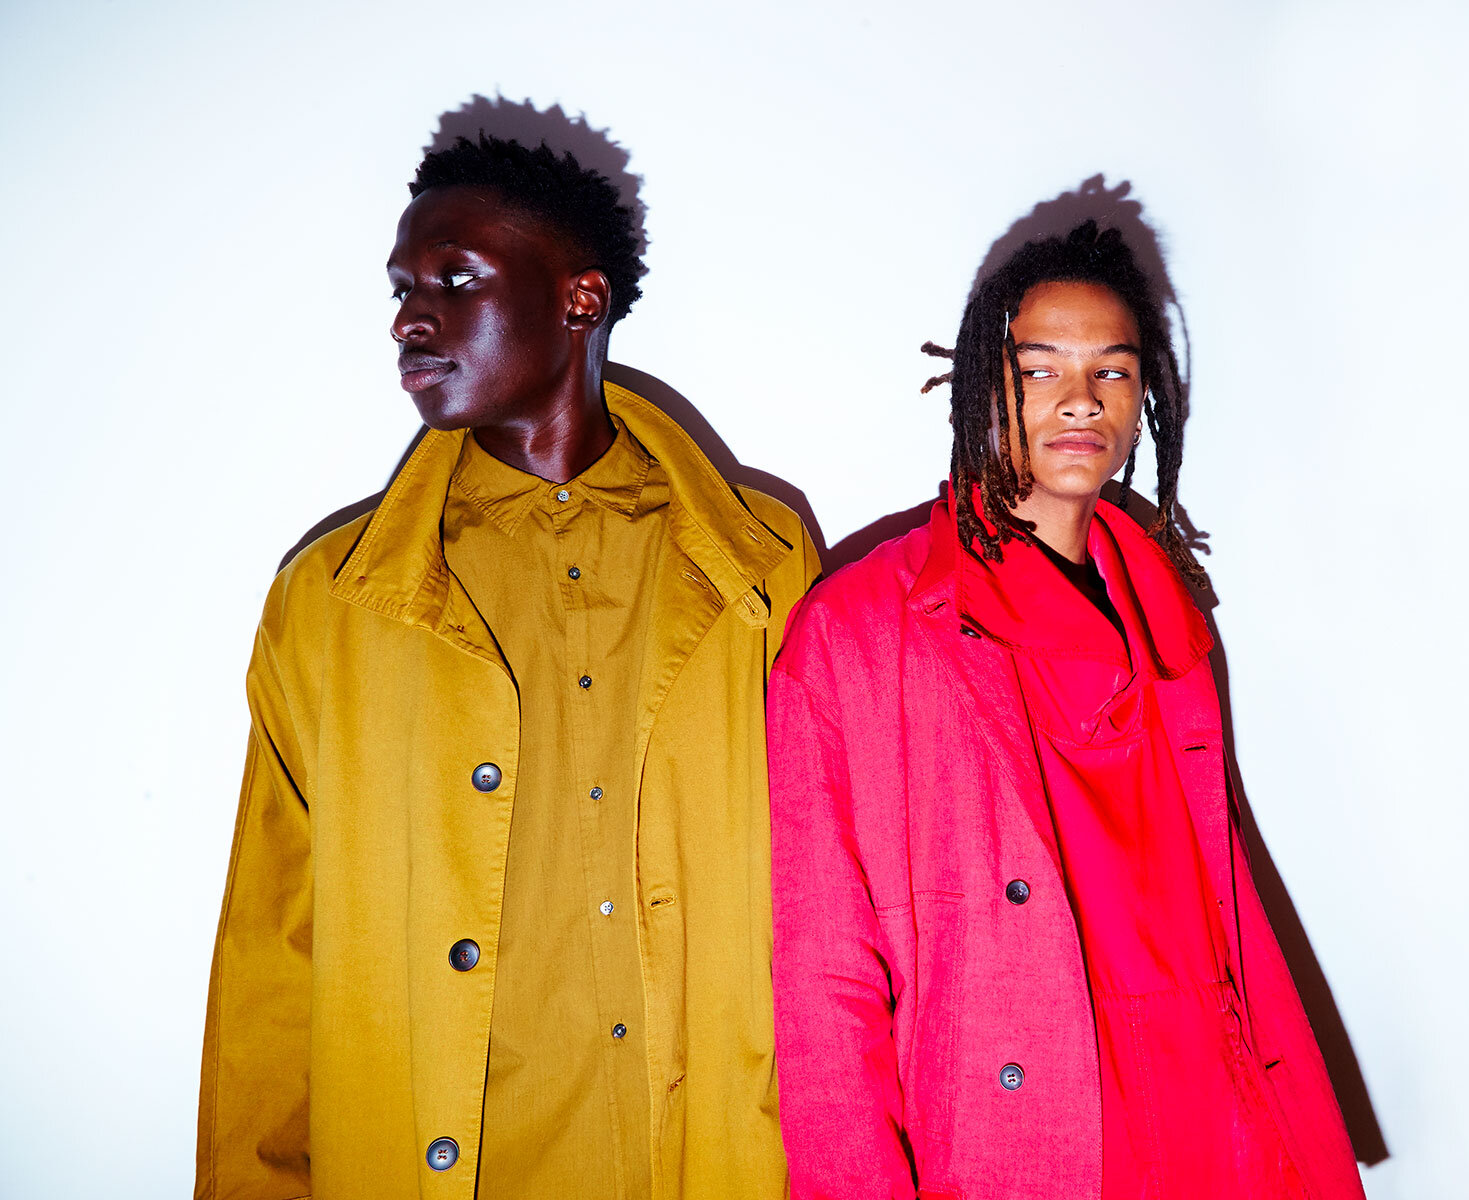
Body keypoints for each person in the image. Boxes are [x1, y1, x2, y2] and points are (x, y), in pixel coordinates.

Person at [196, 133, 815, 1199]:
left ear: (580, 300)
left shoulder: (764, 568)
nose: (407, 319)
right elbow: (270, 956)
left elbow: (837, 910)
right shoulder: (332, 607)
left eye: (454, 279)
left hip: (706, 1154)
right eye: (401, 290)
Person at [768, 221, 1365, 1199]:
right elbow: (820, 989)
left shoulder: (1171, 615)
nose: (1081, 399)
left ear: (1148, 402)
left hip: (1212, 1122)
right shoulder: (856, 633)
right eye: (1040, 368)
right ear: (977, 387)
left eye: (1113, 372)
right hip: (1022, 1136)